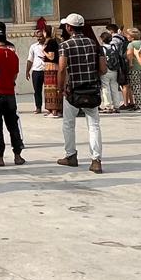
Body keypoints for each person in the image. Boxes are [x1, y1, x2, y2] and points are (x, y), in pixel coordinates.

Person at [56, 13, 105, 174]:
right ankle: (96, 160)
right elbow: (103, 68)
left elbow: (62, 69)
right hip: (91, 89)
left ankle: (71, 155)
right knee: (94, 125)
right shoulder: (94, 43)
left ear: (69, 28)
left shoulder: (65, 45)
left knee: (69, 124)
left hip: (73, 90)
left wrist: (60, 88)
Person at [0, 33, 25, 166]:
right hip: (10, 94)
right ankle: (17, 155)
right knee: (13, 125)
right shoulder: (13, 55)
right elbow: (15, 75)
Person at [105, 24, 132, 109]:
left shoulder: (114, 40)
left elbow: (113, 52)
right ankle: (130, 101)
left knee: (122, 84)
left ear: (111, 31)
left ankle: (125, 103)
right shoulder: (123, 38)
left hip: (119, 63)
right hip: (125, 62)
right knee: (126, 84)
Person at [126, 27, 141, 111]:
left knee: (136, 86)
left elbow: (129, 55)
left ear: (132, 37)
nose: (127, 36)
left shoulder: (131, 44)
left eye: (128, 35)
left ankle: (138, 104)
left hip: (135, 68)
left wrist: (130, 63)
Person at [99, 32, 122, 113]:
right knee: (114, 88)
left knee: (105, 87)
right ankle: (117, 106)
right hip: (115, 69)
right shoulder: (114, 47)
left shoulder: (102, 48)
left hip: (106, 70)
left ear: (102, 39)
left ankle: (108, 106)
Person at [26, 29, 48, 114]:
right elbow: (30, 59)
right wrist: (27, 71)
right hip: (36, 71)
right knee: (37, 90)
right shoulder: (33, 47)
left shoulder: (48, 45)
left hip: (47, 70)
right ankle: (38, 107)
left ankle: (50, 108)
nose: (39, 38)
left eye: (41, 36)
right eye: (37, 37)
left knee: (48, 90)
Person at [43, 26, 63, 118]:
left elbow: (51, 56)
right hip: (50, 67)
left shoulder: (51, 42)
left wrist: (43, 51)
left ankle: (54, 110)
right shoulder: (52, 41)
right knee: (50, 89)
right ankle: (52, 110)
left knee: (53, 89)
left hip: (51, 67)